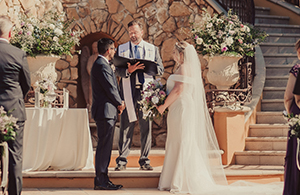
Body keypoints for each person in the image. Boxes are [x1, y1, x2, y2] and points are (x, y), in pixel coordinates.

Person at [157, 41, 283, 195]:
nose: (173, 55)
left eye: (175, 53)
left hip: (181, 107)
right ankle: (175, 177)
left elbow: (178, 90)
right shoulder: (183, 68)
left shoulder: (184, 68)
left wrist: (162, 106)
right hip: (179, 107)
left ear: (182, 54)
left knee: (182, 140)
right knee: (181, 139)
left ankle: (180, 179)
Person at [115, 20, 164, 171]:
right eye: (130, 33)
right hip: (128, 91)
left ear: (142, 32)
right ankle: (122, 161)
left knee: (145, 126)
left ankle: (145, 160)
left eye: (135, 32)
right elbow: (116, 70)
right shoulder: (121, 49)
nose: (133, 35)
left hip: (145, 91)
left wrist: (148, 69)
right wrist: (128, 71)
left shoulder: (152, 49)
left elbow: (160, 70)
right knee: (125, 126)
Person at [0, 16, 31, 195]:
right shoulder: (17, 53)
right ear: (10, 33)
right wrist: (19, 98)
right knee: (15, 156)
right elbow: (26, 83)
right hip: (14, 111)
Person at [90, 37, 125, 191]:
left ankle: (104, 178)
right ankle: (100, 180)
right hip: (105, 111)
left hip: (107, 111)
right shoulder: (101, 65)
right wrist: (120, 102)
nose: (115, 51)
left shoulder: (103, 64)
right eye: (114, 48)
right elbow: (110, 88)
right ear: (108, 50)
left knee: (106, 147)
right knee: (104, 147)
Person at [282, 39, 300, 195]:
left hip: (298, 114)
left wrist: (290, 115)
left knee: (296, 153)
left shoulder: (297, 69)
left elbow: (288, 97)